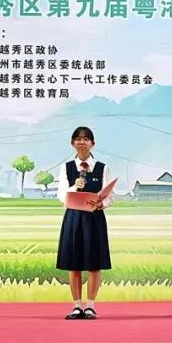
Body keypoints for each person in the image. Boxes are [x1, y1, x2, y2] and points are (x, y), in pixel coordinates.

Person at [56, 126, 112, 319]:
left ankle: (90, 306)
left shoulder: (102, 167)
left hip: (94, 218)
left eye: (86, 139)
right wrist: (74, 187)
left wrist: (101, 203)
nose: (82, 142)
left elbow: (109, 196)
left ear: (92, 144)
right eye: (78, 139)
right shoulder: (66, 167)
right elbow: (61, 194)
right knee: (74, 263)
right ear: (72, 143)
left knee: (94, 263)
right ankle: (77, 306)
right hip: (73, 218)